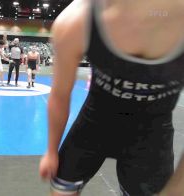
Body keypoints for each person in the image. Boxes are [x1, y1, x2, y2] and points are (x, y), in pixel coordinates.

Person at [39, 0, 184, 195]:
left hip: (151, 137)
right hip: (94, 126)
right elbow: (59, 95)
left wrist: (176, 188)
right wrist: (51, 151)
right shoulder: (76, 20)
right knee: (60, 190)